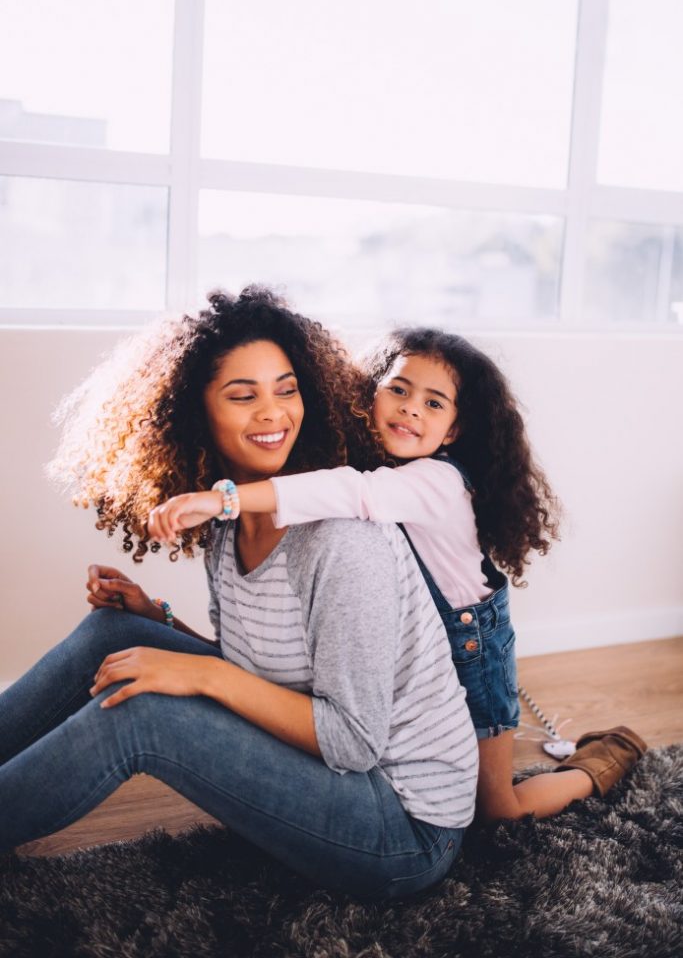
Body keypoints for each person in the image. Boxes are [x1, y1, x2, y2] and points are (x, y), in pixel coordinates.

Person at [0, 288, 479, 901]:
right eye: (243, 395)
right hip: (336, 774)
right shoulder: (228, 521)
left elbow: (352, 743)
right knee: (113, 634)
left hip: (402, 827)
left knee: (145, 716)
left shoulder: (341, 540)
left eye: (286, 390)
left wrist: (200, 674)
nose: (273, 414)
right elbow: (253, 670)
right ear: (194, 412)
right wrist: (157, 619)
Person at [149, 326, 647, 822]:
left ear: (453, 430)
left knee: (498, 809)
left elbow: (355, 492)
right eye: (399, 390)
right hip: (418, 657)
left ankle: (605, 759)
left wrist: (225, 499)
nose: (411, 409)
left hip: (471, 651)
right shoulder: (371, 465)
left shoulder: (437, 482)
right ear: (371, 395)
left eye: (433, 403)